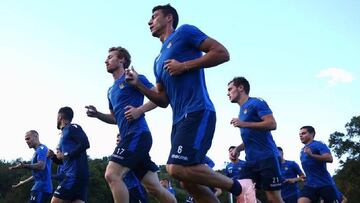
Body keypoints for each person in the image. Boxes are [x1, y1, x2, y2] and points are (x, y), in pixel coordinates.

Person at [125, 4, 242, 203]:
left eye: (154, 16)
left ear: (169, 18)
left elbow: (222, 53)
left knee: (175, 168)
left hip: (198, 110)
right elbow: (162, 100)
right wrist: (138, 85)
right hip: (178, 120)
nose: (149, 21)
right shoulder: (157, 61)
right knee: (187, 181)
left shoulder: (185, 32)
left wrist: (184, 66)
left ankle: (233, 185)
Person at [85, 46, 176, 203]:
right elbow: (115, 118)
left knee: (111, 174)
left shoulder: (132, 77)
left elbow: (160, 97)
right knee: (154, 187)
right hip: (129, 137)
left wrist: (139, 110)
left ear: (122, 60)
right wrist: (98, 115)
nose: (106, 60)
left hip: (138, 135)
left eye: (110, 57)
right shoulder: (110, 90)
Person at [227, 76, 283, 203]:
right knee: (242, 192)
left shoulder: (256, 103)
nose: (228, 93)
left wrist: (244, 124)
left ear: (241, 88)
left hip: (267, 158)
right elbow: (251, 137)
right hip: (250, 161)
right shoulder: (241, 110)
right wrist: (238, 148)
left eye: (230, 89)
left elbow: (272, 124)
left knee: (273, 198)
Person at [49, 106, 90, 203]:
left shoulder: (72, 127)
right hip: (78, 177)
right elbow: (63, 160)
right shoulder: (64, 135)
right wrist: (53, 157)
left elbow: (85, 143)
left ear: (60, 117)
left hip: (74, 176)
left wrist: (66, 155)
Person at [9, 130, 52, 203]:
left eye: (28, 138)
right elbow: (38, 175)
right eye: (25, 139)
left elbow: (41, 166)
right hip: (39, 187)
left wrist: (24, 166)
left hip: (42, 188)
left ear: (36, 137)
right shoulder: (37, 151)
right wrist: (23, 182)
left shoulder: (42, 149)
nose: (26, 141)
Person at [298, 126, 339, 203]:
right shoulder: (302, 150)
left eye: (303, 133)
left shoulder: (318, 144)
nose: (300, 136)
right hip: (310, 185)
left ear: (312, 134)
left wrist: (312, 155)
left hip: (324, 184)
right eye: (300, 134)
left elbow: (329, 158)